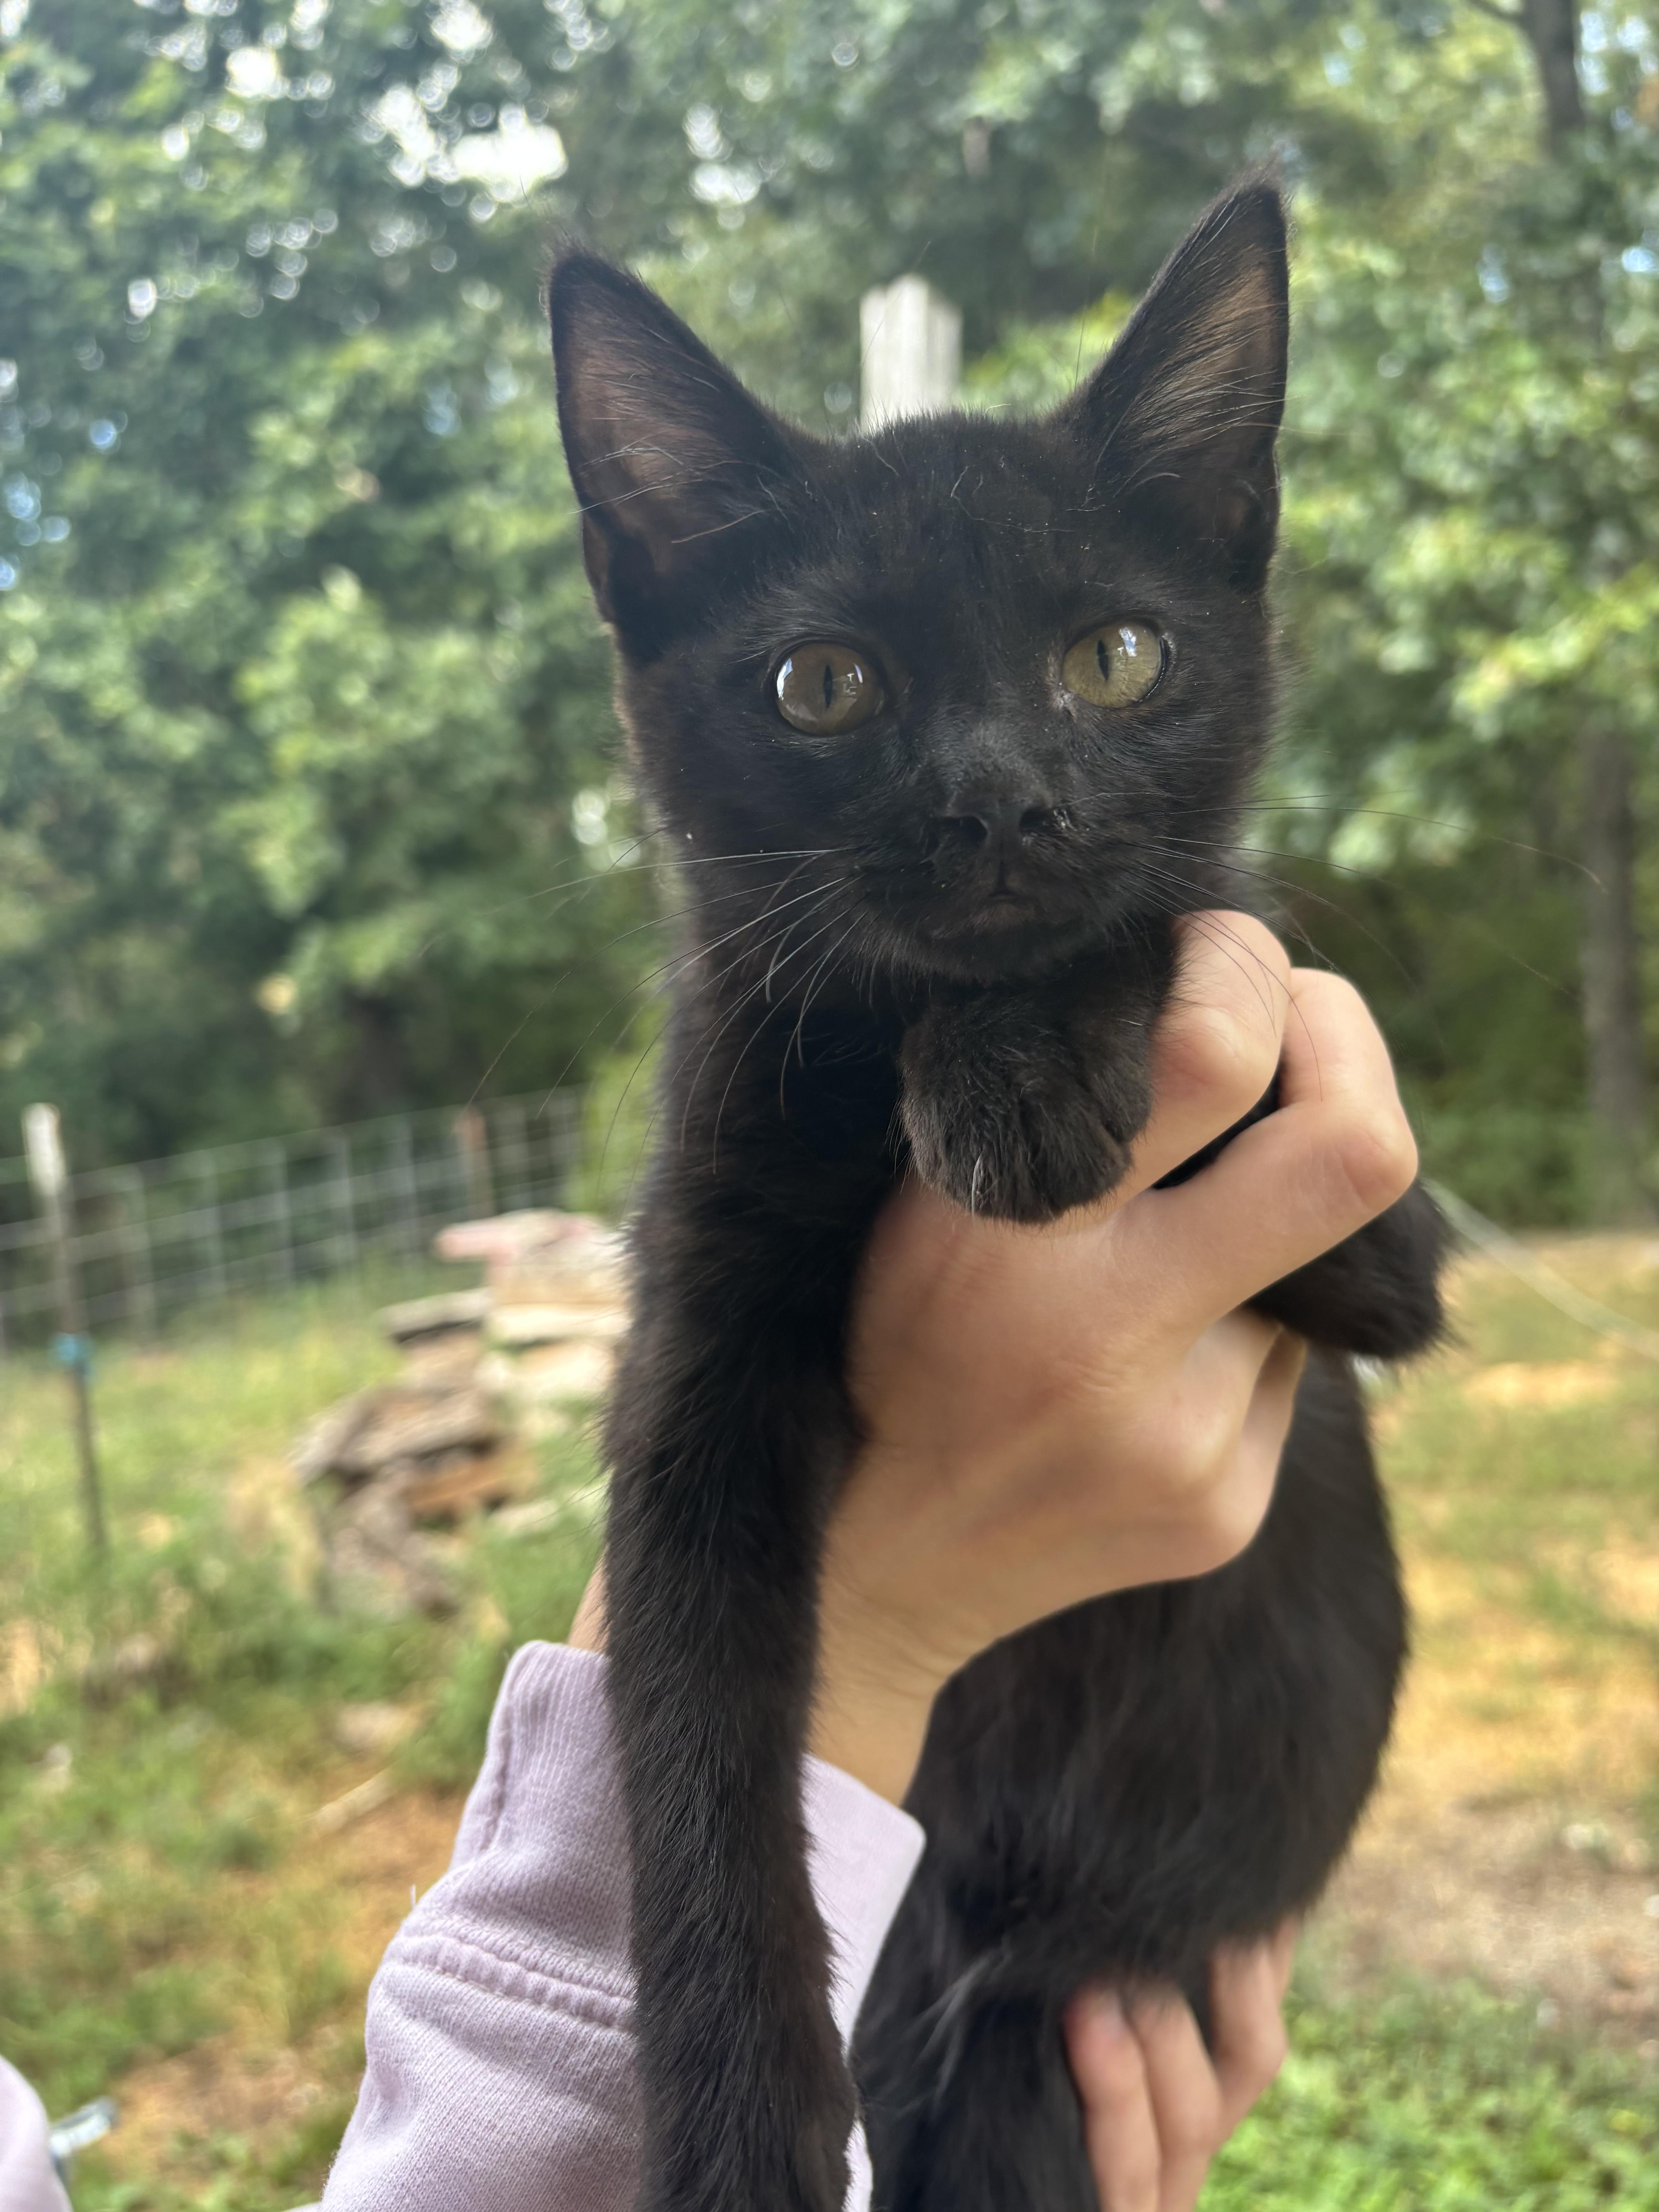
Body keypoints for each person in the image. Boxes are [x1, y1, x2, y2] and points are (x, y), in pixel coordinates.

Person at [0, 915, 1419, 2212]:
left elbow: (1382, 1284)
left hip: (1105, 1947)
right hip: (1021, 1929)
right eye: (823, 682)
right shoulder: (764, 1036)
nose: (998, 796)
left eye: (1110, 662)